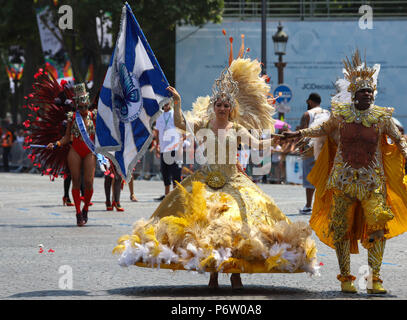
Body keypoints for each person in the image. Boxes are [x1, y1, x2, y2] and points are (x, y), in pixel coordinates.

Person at [113, 52, 319, 290]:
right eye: (218, 104)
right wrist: (178, 102)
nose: (222, 108)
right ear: (214, 106)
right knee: (205, 230)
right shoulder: (203, 124)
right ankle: (212, 274)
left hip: (233, 181)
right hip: (204, 182)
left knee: (236, 227)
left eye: (226, 105)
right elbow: (181, 125)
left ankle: (235, 273)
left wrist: (277, 141)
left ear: (231, 108)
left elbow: (255, 144)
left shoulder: (238, 127)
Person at [285, 50, 407, 294]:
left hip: (373, 182)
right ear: (354, 94)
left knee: (377, 227)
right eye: (363, 91)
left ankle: (374, 278)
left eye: (370, 91)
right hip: (342, 181)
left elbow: (400, 139)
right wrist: (298, 133)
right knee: (341, 229)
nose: (368, 94)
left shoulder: (382, 117)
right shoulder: (341, 115)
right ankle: (345, 278)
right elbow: (321, 129)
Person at [47, 83, 97, 227]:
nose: (83, 110)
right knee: (75, 180)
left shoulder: (94, 116)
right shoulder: (72, 117)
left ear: (88, 104)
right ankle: (78, 213)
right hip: (75, 150)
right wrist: (56, 144)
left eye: (85, 106)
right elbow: (67, 137)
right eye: (80, 107)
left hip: (89, 151)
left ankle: (86, 208)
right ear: (76, 105)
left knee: (88, 182)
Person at [296, 93, 330, 214]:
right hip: (325, 148)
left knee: (309, 177)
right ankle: (324, 205)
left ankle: (308, 205)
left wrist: (299, 147)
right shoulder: (327, 113)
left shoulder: (307, 114)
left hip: (310, 148)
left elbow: (303, 132)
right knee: (323, 177)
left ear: (310, 102)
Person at [153, 100, 183, 201]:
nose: (165, 104)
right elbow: (157, 132)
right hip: (163, 148)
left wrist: (180, 146)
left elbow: (183, 131)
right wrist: (157, 146)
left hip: (174, 148)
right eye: (163, 102)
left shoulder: (176, 113)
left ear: (170, 101)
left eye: (167, 101)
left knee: (175, 172)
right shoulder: (159, 115)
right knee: (165, 172)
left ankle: (175, 195)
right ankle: (167, 195)